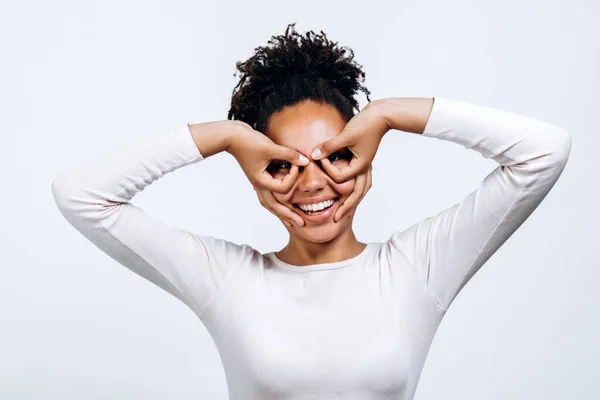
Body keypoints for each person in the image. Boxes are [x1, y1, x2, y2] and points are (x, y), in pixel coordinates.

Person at [51, 22, 572, 400]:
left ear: (365, 161)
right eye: (285, 164)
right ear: (260, 175)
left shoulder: (418, 268)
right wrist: (229, 138)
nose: (314, 182)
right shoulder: (227, 279)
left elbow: (543, 152)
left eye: (338, 156)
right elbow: (82, 195)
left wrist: (389, 114)